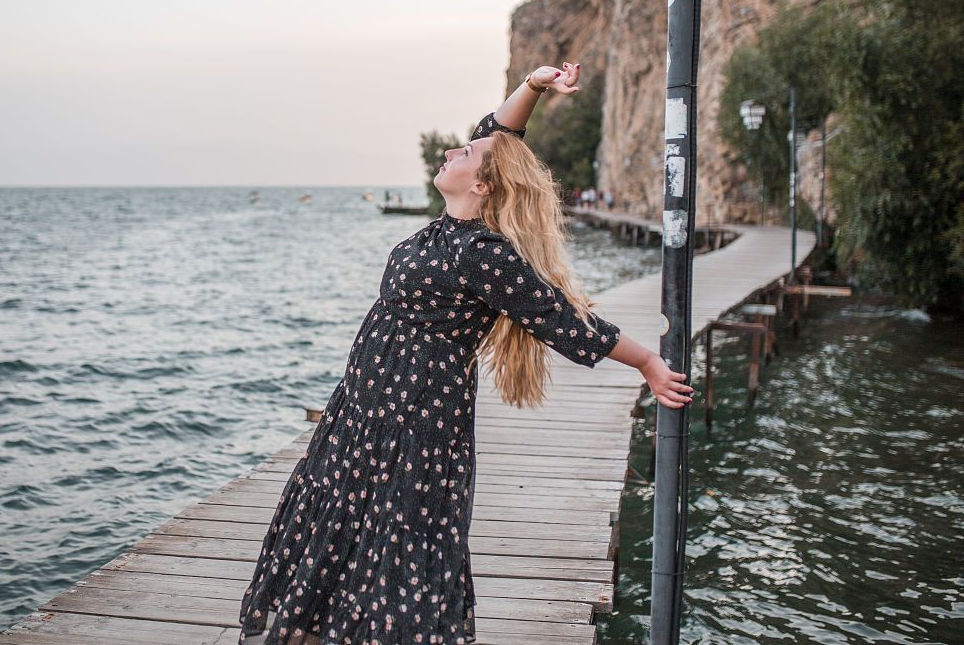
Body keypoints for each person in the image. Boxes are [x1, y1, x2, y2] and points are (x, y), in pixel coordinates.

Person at [238, 61, 692, 645]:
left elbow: (562, 320)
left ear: (481, 187)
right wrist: (534, 85)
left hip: (416, 421)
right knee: (345, 525)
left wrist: (648, 362)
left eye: (466, 154)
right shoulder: (445, 231)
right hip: (364, 410)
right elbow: (494, 134)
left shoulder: (481, 251)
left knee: (397, 545)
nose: (454, 149)